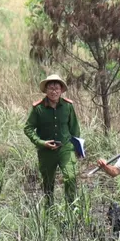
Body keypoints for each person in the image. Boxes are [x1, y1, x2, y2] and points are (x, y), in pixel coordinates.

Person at [24, 74, 81, 206]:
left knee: (70, 177)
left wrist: (78, 148)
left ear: (61, 90)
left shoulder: (68, 106)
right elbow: (28, 128)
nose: (54, 91)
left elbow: (74, 128)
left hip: (66, 149)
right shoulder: (38, 108)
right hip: (46, 151)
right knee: (48, 183)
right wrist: (41, 143)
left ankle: (72, 209)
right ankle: (50, 210)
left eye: (57, 88)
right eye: (51, 88)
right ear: (46, 90)